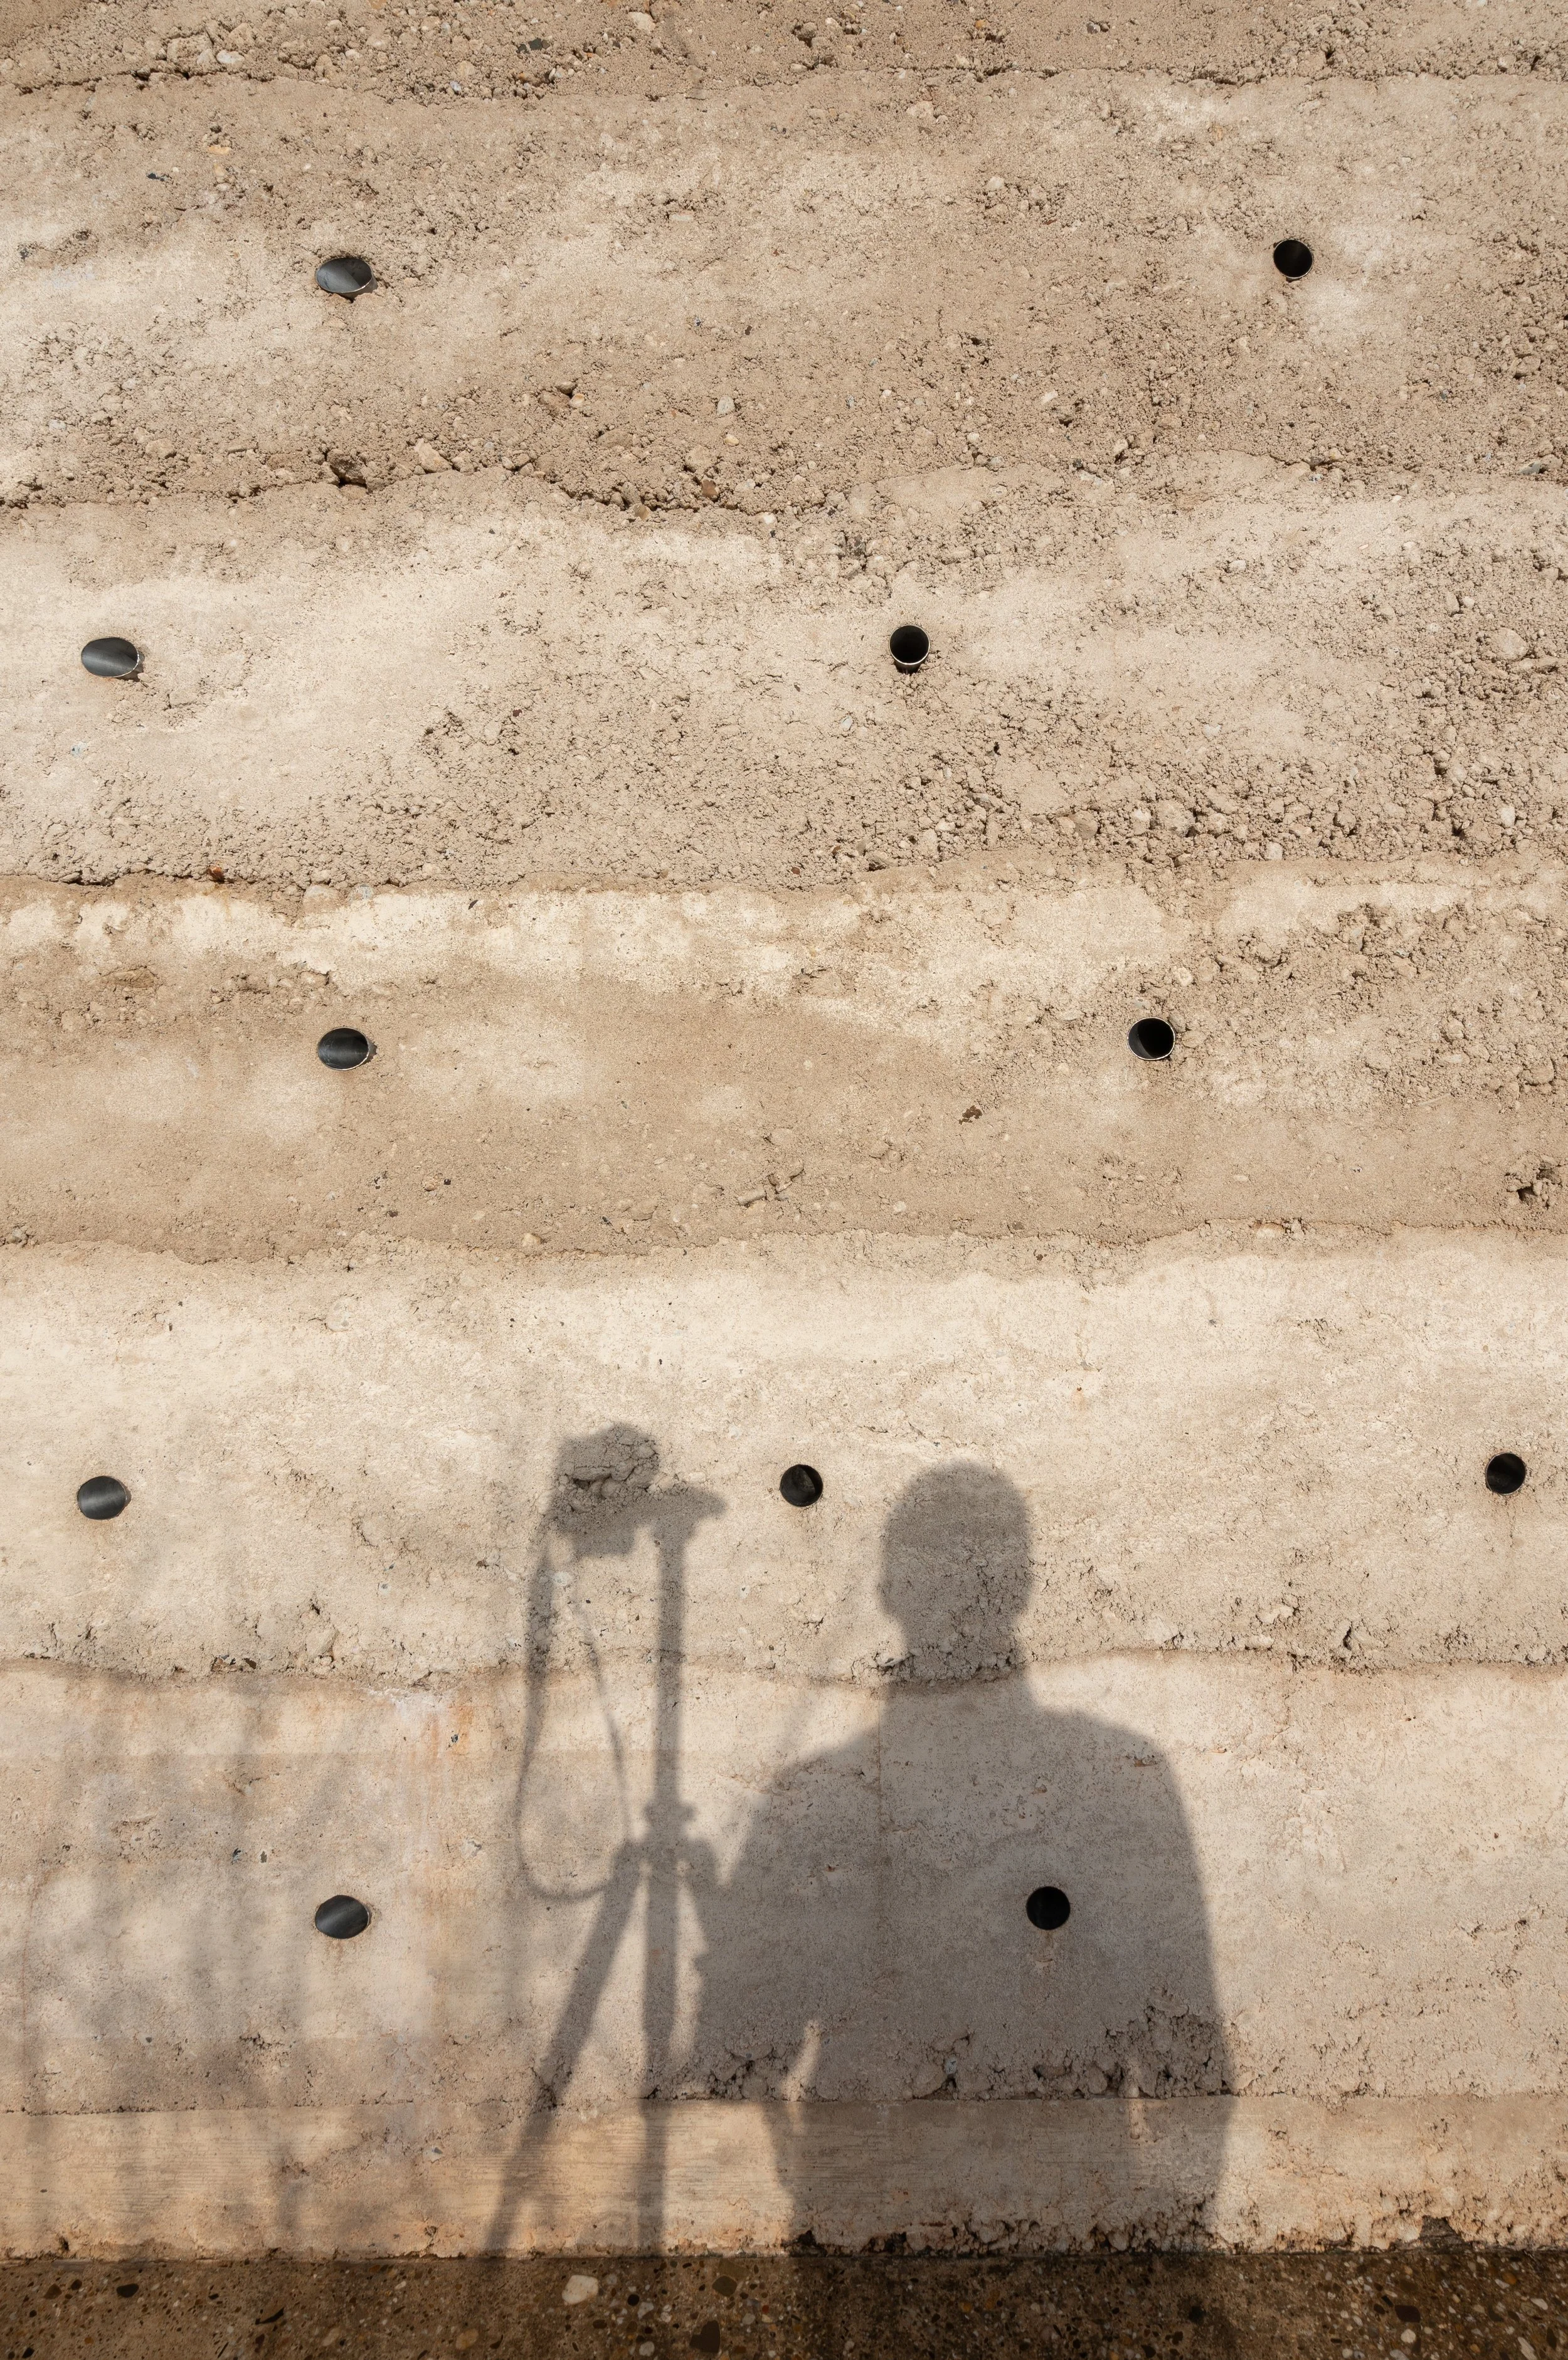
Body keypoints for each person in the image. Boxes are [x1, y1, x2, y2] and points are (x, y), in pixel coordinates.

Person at [691, 1462, 1231, 2243]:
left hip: (858, 2201)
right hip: (1076, 2201)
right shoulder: (1121, 1768)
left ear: (884, 1593)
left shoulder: (809, 1792)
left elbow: (732, 2051)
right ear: (1020, 1588)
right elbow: (1192, 2028)